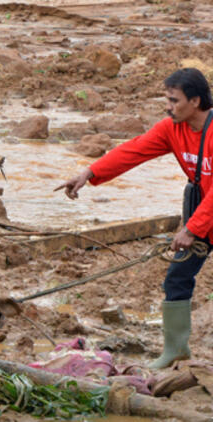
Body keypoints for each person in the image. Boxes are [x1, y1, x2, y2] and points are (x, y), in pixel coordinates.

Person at [56, 67, 213, 369]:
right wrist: (89, 173)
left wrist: (191, 228)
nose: (168, 107)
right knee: (177, 277)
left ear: (195, 101)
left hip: (203, 217)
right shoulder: (172, 129)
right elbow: (134, 150)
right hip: (203, 214)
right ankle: (176, 350)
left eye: (174, 100)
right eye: (167, 99)